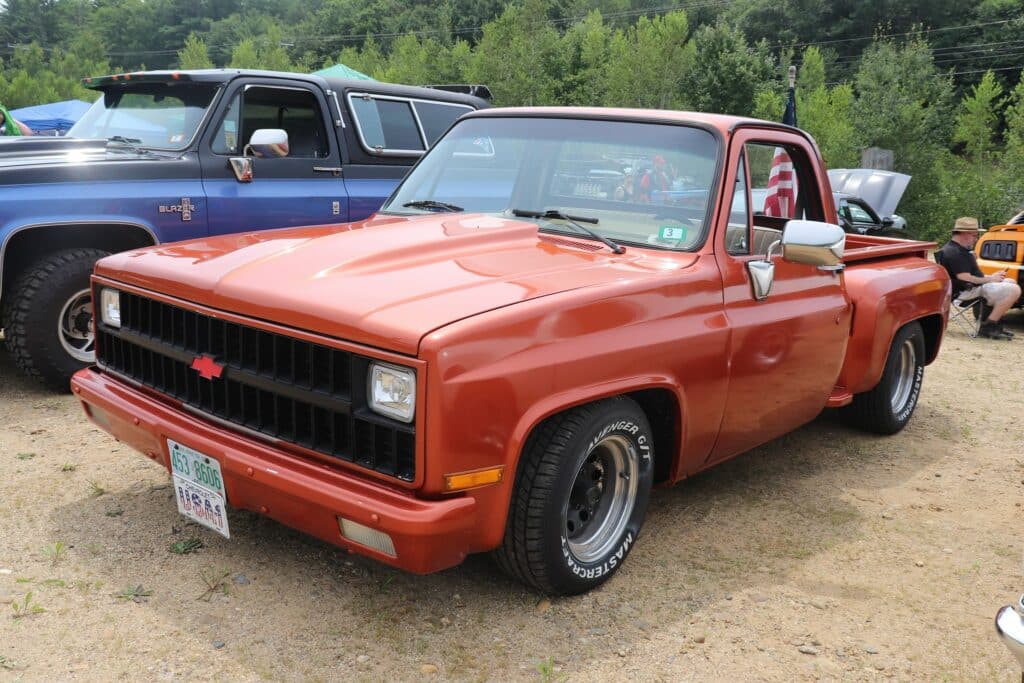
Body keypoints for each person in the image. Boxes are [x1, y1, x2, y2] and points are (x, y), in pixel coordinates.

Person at [938, 216, 1021, 339]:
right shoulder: (954, 253)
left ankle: (992, 321)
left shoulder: (959, 249)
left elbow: (972, 276)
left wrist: (993, 276)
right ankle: (988, 326)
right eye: (974, 235)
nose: (976, 239)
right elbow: (965, 278)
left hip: (970, 287)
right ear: (964, 234)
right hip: (964, 292)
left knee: (1010, 281)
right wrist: (990, 279)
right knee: (1014, 290)